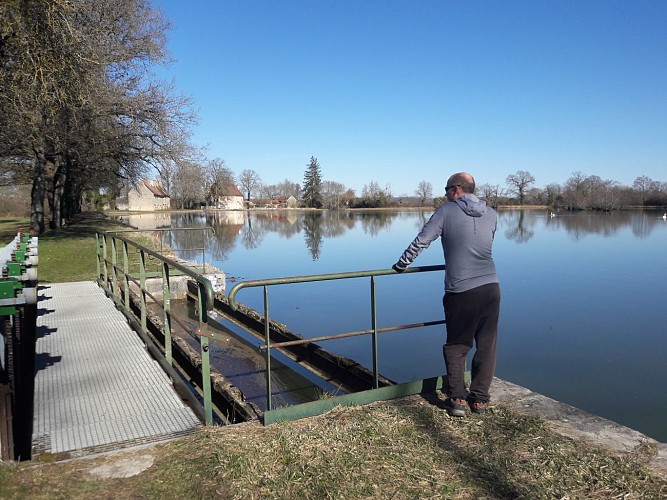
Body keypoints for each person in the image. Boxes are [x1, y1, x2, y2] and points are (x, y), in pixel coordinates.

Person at [392, 172, 500, 417]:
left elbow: (422, 240)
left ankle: (458, 399)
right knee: (487, 344)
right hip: (491, 287)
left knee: (457, 345)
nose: (445, 194)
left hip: (462, 289)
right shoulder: (492, 214)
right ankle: (480, 400)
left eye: (447, 189)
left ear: (458, 189)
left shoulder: (447, 211)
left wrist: (402, 263)